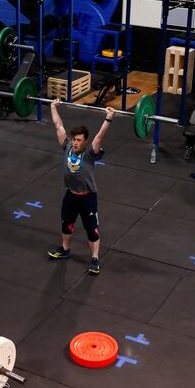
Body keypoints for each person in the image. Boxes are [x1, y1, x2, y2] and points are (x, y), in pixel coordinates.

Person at [47, 99, 114, 274]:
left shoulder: (90, 153)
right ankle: (65, 249)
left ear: (85, 142)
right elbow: (58, 126)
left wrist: (108, 118)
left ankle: (94, 259)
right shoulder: (68, 147)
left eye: (79, 140)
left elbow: (100, 136)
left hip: (87, 197)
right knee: (67, 224)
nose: (75, 142)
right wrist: (53, 107)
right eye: (74, 139)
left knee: (92, 229)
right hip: (70, 195)